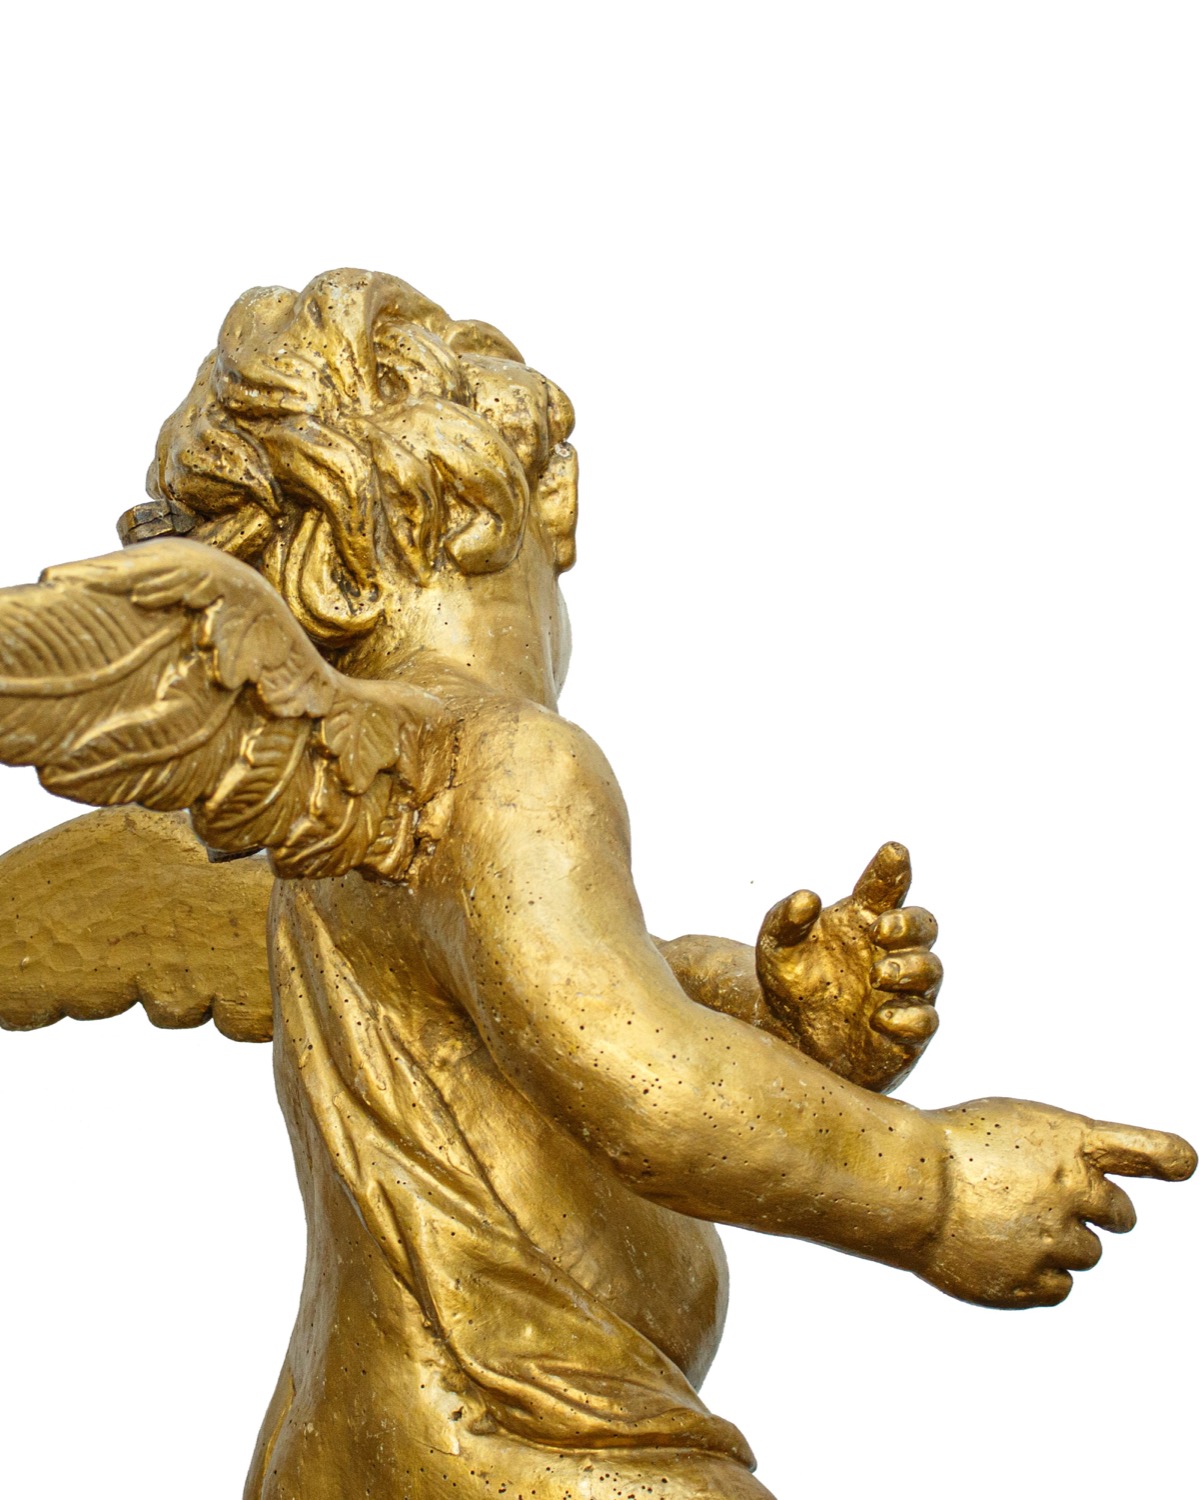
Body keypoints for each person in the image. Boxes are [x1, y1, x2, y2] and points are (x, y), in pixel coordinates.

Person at [0, 270, 1192, 1500]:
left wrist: (765, 1012)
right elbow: (638, 1079)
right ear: (537, 508)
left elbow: (537, 998)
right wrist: (934, 1187)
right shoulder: (505, 762)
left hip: (360, 1429)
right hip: (524, 1434)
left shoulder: (364, 808)